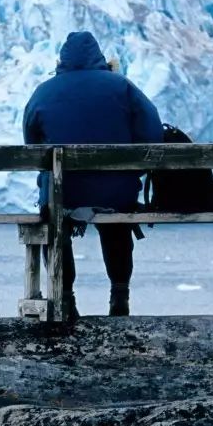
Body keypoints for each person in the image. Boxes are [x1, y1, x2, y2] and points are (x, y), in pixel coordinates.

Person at [23, 30, 163, 318]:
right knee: (116, 223)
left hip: (65, 193)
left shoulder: (43, 92)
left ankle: (66, 298)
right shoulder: (122, 86)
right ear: (99, 57)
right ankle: (119, 296)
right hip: (116, 191)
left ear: (62, 60)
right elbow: (152, 133)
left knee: (54, 220)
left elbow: (32, 144)